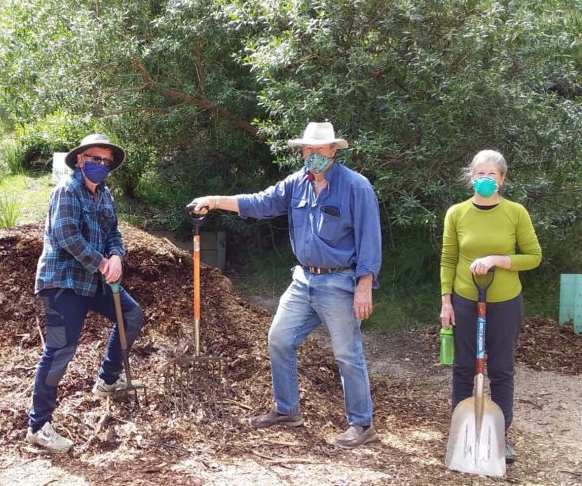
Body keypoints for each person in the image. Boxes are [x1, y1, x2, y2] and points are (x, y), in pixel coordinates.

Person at [189, 122, 382, 449]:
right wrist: (215, 200)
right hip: (303, 279)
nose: (313, 155)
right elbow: (259, 203)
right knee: (278, 338)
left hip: (339, 281)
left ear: (334, 151)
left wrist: (364, 285)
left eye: (320, 150)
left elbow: (370, 240)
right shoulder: (297, 184)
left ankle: (362, 425)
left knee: (347, 354)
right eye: (308, 149)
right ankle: (287, 410)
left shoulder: (356, 187)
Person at [26, 134, 145, 453]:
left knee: (132, 315)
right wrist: (103, 262)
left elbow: (113, 232)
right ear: (80, 160)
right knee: (59, 351)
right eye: (95, 159)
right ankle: (38, 426)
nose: (101, 166)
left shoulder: (105, 196)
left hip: (94, 279)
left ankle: (107, 379)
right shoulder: (66, 191)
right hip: (62, 281)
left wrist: (117, 255)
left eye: (106, 162)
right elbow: (66, 235)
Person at [439, 149, 541, 464]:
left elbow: (533, 256)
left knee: (500, 369)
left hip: (505, 302)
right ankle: (460, 433)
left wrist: (498, 260)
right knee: (464, 367)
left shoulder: (515, 213)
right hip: (465, 299)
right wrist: (446, 301)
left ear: (502, 180)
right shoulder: (456, 213)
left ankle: (501, 435)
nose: (485, 180)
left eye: (491, 175)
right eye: (479, 174)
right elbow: (448, 259)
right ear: (471, 177)